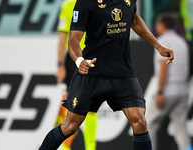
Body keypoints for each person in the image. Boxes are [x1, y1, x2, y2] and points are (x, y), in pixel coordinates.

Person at [39, 0, 174, 150]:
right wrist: (79, 60)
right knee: (69, 126)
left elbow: (134, 18)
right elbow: (73, 40)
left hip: (122, 72)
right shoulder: (85, 3)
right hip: (92, 72)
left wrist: (158, 46)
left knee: (140, 121)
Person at [54, 0, 98, 150]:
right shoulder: (68, 5)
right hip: (74, 59)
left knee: (92, 104)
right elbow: (62, 38)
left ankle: (91, 147)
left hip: (93, 58)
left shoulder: (98, 3)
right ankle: (65, 147)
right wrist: (60, 65)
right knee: (71, 105)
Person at [146, 14, 192, 150]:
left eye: (157, 24)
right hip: (182, 93)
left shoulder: (162, 42)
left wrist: (160, 92)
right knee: (181, 128)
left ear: (162, 25)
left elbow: (163, 68)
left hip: (166, 93)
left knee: (148, 125)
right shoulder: (182, 42)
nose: (155, 27)